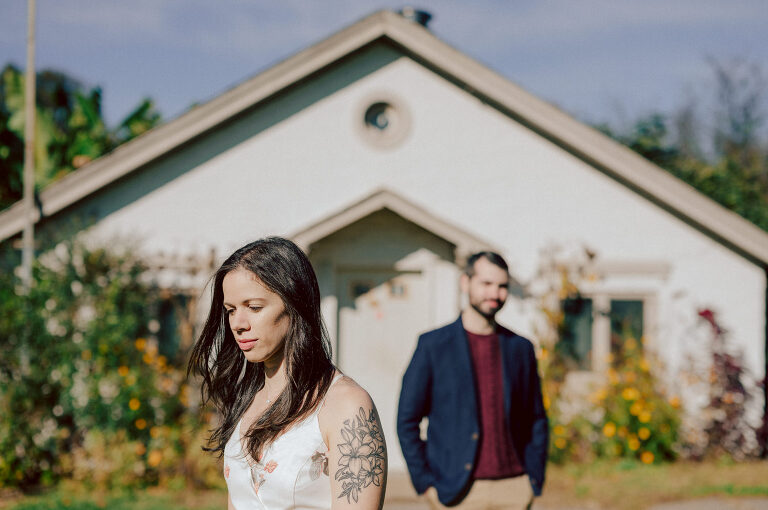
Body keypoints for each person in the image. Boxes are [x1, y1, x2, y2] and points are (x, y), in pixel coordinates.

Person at [188, 237, 387, 510]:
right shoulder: (247, 398)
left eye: (254, 307)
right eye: (231, 310)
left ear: (296, 305)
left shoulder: (346, 406)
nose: (238, 324)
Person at [397, 251, 548, 509]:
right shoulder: (433, 345)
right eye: (486, 284)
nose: (495, 294)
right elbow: (407, 420)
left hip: (514, 489)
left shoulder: (520, 348)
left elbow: (536, 418)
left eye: (502, 286)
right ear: (465, 283)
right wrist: (425, 483)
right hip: (456, 493)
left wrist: (532, 478)